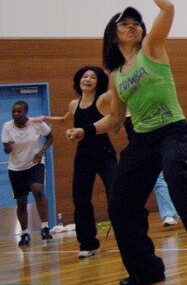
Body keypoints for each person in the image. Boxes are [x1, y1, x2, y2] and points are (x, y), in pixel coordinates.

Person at [67, 0, 187, 285]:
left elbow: (167, 7)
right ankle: (147, 269)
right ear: (113, 36)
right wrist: (86, 131)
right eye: (124, 24)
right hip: (141, 140)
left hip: (172, 131)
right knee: (120, 203)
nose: (132, 26)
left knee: (177, 173)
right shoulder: (114, 76)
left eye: (136, 23)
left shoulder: (152, 49)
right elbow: (114, 119)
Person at [43, 67, 116, 257]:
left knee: (115, 195)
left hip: (104, 153)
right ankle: (88, 244)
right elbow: (66, 121)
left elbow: (113, 114)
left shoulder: (103, 99)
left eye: (93, 77)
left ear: (98, 83)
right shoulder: (74, 104)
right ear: (79, 80)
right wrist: (43, 119)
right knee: (81, 200)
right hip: (83, 156)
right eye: (85, 76)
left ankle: (127, 235)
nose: (88, 79)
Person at [2, 100, 53, 246]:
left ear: (26, 112)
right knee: (21, 201)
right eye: (13, 111)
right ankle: (25, 233)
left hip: (34, 163)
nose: (16, 114)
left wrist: (41, 152)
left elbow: (50, 137)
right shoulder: (7, 127)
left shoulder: (36, 123)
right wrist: (9, 148)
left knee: (37, 189)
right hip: (16, 167)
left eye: (19, 111)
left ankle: (45, 228)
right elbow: (6, 149)